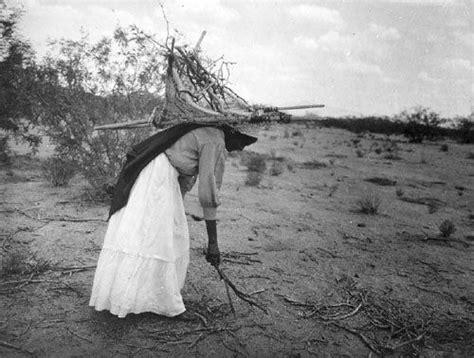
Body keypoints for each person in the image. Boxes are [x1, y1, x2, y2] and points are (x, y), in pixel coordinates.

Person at [89, 123, 257, 318]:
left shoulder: (210, 134)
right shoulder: (215, 141)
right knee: (156, 239)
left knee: (154, 235)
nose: (242, 148)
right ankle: (147, 301)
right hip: (158, 174)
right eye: (244, 141)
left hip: (156, 169)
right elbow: (208, 193)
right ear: (233, 133)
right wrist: (213, 243)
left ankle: (139, 299)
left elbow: (187, 179)